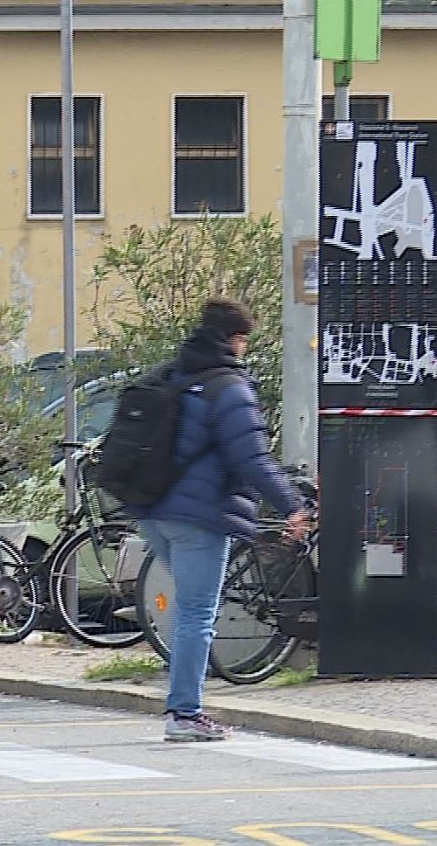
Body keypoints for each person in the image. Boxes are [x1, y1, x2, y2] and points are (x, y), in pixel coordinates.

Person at [127, 298, 307, 743]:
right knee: (196, 613)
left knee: (190, 607)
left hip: (154, 512)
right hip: (198, 517)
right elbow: (253, 460)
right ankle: (184, 714)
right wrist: (293, 506)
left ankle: (184, 707)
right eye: (245, 339)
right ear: (236, 339)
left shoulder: (173, 375)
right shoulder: (229, 388)